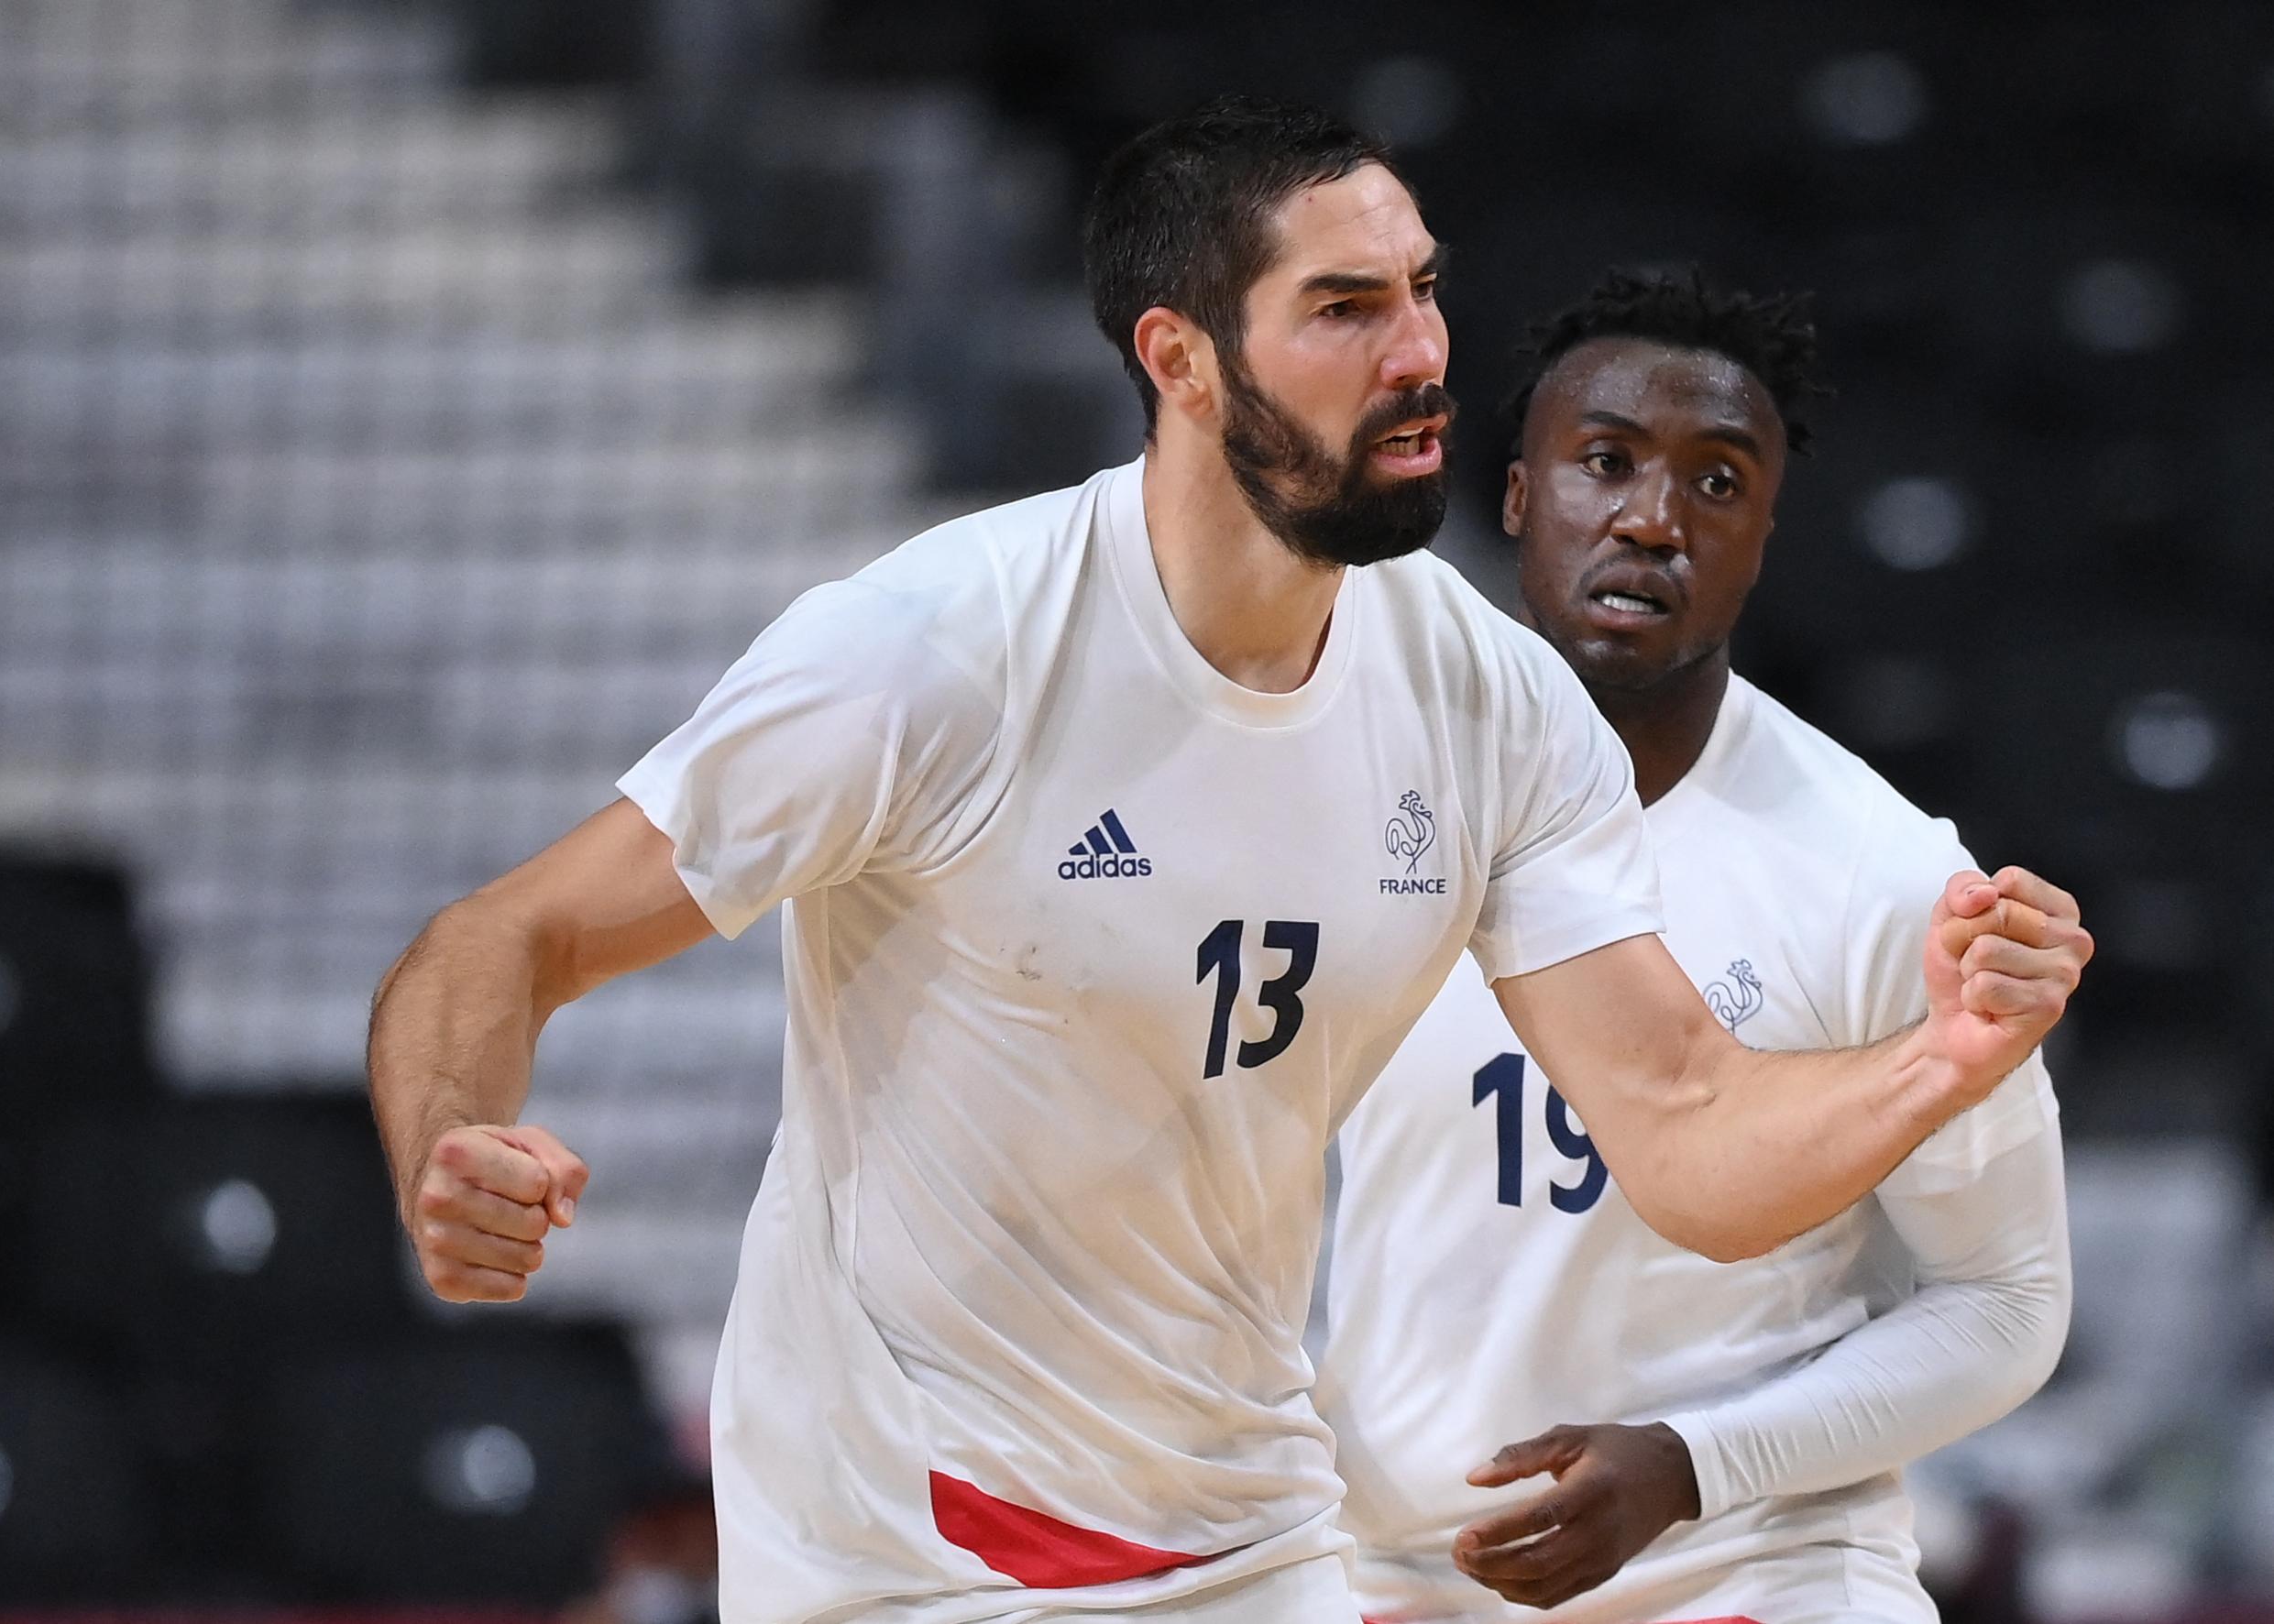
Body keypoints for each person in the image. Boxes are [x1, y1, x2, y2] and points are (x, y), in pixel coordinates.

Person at [366, 101, 2090, 1624]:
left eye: (1421, 288)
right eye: (1345, 309)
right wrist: (452, 1141)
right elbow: (504, 938)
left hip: (1252, 1533)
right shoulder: (934, 652)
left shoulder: (1483, 696)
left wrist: (1938, 1060)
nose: (1418, 348)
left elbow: (1690, 1132)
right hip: (911, 1542)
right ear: (1180, 359)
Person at [1317, 269, 2075, 1624]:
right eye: (1603, 464)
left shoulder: (1883, 869)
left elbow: (2005, 1303)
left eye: (1716, 484)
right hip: (1401, 1582)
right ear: (1513, 501)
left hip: (1747, 1570)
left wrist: (1694, 1464)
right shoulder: (1354, 791)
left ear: (1762, 538)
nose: (1653, 521)